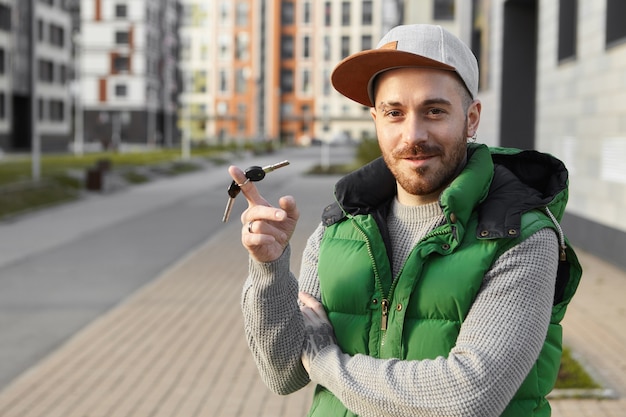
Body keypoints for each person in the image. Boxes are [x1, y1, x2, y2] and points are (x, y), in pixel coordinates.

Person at [228, 24, 582, 417]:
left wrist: (326, 361)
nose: (412, 134)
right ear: (375, 120)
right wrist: (269, 270)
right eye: (394, 113)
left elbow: (468, 399)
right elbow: (284, 375)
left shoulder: (520, 234)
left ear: (472, 118)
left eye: (434, 111)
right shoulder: (341, 226)